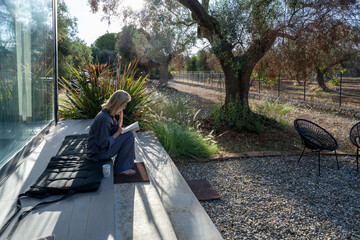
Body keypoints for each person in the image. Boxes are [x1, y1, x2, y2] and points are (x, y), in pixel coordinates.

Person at [87, 90, 136, 176]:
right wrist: (118, 133)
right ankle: (121, 168)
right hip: (98, 154)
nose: (124, 108)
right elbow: (103, 143)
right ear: (118, 104)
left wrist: (121, 118)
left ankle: (122, 165)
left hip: (100, 150)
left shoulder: (108, 115)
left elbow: (118, 129)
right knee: (129, 136)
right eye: (124, 106)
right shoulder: (104, 119)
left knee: (128, 135)